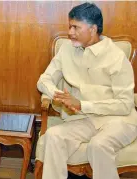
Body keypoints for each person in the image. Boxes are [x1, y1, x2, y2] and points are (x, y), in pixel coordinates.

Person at [35, 2, 137, 179]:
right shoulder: (67, 49)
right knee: (53, 136)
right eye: (70, 26)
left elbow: (125, 104)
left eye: (76, 27)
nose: (70, 32)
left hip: (119, 121)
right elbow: (44, 80)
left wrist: (82, 104)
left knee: (98, 145)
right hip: (83, 119)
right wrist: (58, 96)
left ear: (93, 29)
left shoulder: (116, 57)